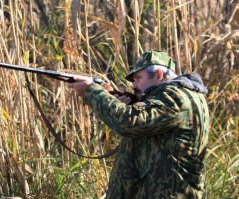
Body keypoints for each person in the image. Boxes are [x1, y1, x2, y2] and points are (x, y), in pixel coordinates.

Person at [67, 50, 209, 198]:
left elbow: (129, 121)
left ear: (159, 75)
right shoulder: (180, 96)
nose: (134, 85)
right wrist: (115, 98)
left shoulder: (176, 97)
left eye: (138, 78)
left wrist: (92, 91)